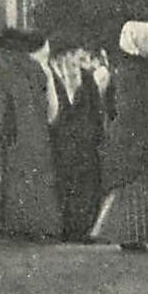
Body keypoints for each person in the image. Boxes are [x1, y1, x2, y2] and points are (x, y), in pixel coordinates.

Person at [91, 21, 148, 251]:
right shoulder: (131, 69)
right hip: (136, 133)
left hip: (143, 131)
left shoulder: (139, 66)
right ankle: (132, 235)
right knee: (135, 184)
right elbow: (132, 103)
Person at [0, 29, 61, 240]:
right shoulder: (40, 70)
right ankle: (32, 225)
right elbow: (53, 113)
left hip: (4, 136)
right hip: (36, 140)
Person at [51, 49, 105, 241]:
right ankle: (66, 227)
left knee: (86, 185)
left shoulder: (87, 79)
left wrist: (98, 136)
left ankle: (82, 228)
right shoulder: (50, 76)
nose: (72, 59)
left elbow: (97, 111)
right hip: (61, 141)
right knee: (64, 183)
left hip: (85, 142)